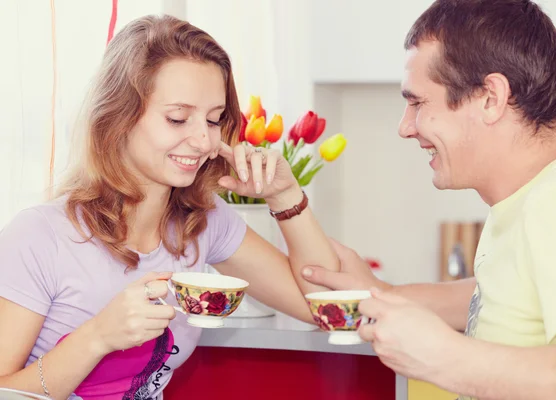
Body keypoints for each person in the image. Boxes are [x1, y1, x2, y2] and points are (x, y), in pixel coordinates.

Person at [0, 15, 339, 399]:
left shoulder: (204, 222)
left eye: (214, 120)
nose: (202, 141)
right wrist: (97, 337)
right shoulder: (38, 237)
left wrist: (285, 196)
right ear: (118, 117)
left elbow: (327, 310)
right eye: (178, 118)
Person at [302, 0, 556, 398]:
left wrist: (445, 357)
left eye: (418, 102)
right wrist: (382, 293)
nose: (405, 127)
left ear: (491, 98)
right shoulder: (532, 199)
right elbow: (499, 293)